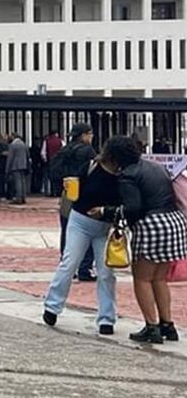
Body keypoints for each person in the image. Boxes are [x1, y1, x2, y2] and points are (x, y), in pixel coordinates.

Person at [42, 137, 123, 335]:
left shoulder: (123, 175)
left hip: (104, 227)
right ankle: (52, 306)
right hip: (80, 221)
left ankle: (107, 318)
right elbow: (75, 184)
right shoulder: (91, 166)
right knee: (70, 262)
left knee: (106, 272)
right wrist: (69, 187)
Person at [109, 139, 186, 344]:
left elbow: (133, 208)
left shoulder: (128, 175)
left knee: (142, 278)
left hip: (151, 225)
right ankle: (167, 324)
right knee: (160, 278)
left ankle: (151, 327)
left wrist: (108, 212)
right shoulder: (156, 166)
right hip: (174, 222)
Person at [54, 123, 99, 282]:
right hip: (84, 194)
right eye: (90, 134)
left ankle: (67, 266)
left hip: (68, 192)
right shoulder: (88, 151)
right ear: (84, 135)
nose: (91, 137)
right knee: (88, 229)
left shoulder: (65, 150)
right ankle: (85, 268)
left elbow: (55, 171)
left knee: (67, 230)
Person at [7, 133, 30, 205]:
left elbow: (10, 157)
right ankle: (23, 197)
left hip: (15, 165)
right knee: (23, 181)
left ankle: (18, 198)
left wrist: (7, 168)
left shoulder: (13, 145)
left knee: (18, 182)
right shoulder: (24, 144)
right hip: (23, 165)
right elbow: (28, 155)